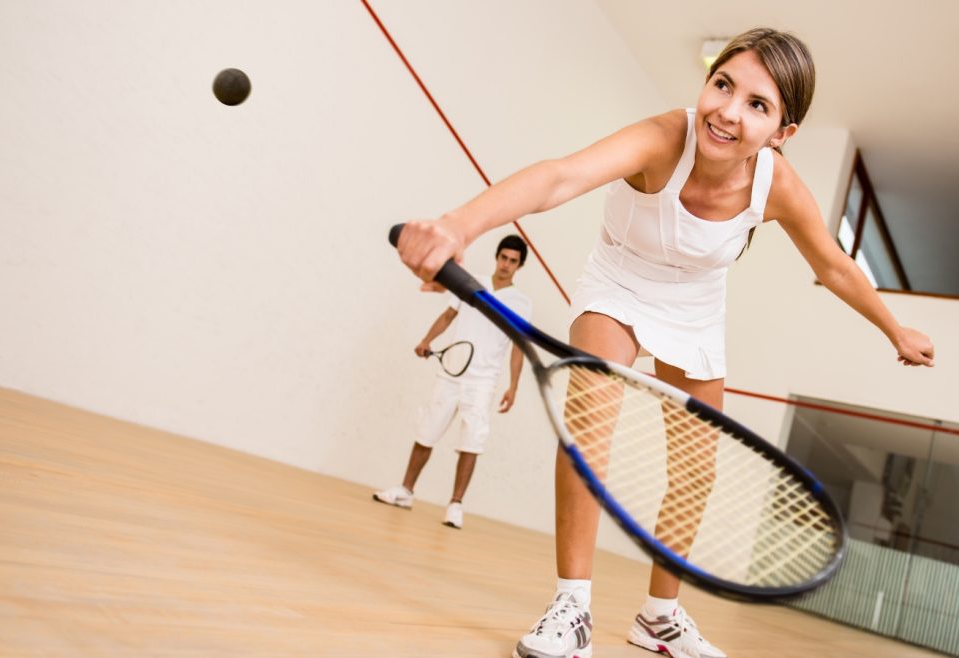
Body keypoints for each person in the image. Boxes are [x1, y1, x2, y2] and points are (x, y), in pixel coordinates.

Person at [392, 27, 935, 658]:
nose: (729, 111)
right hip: (619, 281)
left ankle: (660, 618)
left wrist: (894, 326)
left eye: (758, 105)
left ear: (782, 132)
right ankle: (572, 605)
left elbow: (835, 265)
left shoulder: (776, 185)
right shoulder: (662, 138)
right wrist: (458, 226)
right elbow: (559, 178)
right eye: (723, 85)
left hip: (697, 306)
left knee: (695, 470)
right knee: (589, 435)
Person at [373, 235, 532, 530]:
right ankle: (405, 491)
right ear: (497, 257)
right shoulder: (472, 284)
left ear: (519, 266)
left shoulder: (521, 304)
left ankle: (456, 505)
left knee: (471, 443)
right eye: (503, 258)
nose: (506, 265)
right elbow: (448, 316)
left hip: (483, 382)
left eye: (513, 261)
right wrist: (426, 340)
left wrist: (514, 386)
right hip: (451, 373)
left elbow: (518, 347)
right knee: (426, 431)